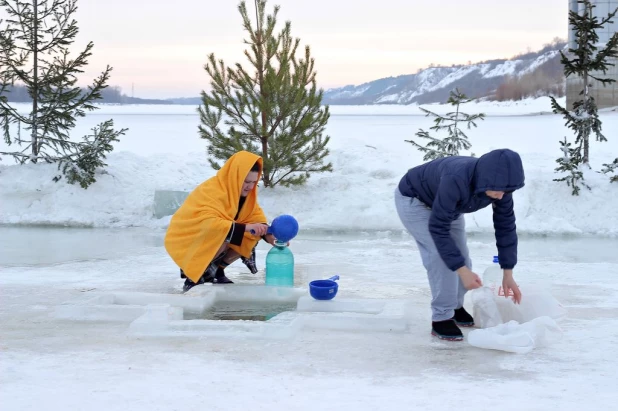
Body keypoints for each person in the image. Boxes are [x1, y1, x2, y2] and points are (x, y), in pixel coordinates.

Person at [394, 148, 525, 341]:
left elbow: (505, 227)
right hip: (416, 200)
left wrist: (508, 273)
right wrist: (462, 272)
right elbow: (438, 228)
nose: (500, 197)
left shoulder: (501, 188)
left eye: (506, 191)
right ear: (485, 180)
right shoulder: (456, 179)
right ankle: (441, 317)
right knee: (442, 258)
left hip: (450, 206)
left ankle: (455, 307)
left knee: (462, 257)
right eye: (497, 191)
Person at [164, 151, 276, 292]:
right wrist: (247, 227)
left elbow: (255, 217)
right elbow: (208, 223)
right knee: (223, 234)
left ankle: (217, 271)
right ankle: (193, 278)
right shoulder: (213, 189)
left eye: (254, 182)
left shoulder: (245, 195)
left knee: (249, 235)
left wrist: (268, 235)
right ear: (235, 177)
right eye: (246, 182)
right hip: (187, 237)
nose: (250, 187)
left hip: (212, 235)